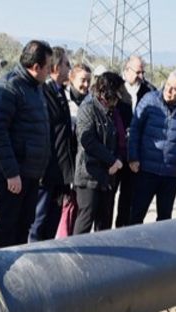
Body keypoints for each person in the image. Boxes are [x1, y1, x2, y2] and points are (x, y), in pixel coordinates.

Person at [0, 40, 52, 249]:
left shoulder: (36, 87)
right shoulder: (9, 87)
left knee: (24, 225)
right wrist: (11, 173)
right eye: (48, 66)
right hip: (13, 173)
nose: (50, 71)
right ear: (36, 67)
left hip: (30, 172)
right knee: (7, 227)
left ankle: (19, 276)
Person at [127, 68, 176, 224]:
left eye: (175, 89)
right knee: (136, 215)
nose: (169, 90)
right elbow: (135, 129)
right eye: (168, 85)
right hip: (145, 170)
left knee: (164, 220)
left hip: (170, 174)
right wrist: (132, 157)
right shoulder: (149, 100)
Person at [29, 46, 74, 242]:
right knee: (38, 221)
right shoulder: (43, 93)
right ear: (55, 67)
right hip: (46, 172)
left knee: (53, 222)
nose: (69, 68)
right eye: (66, 64)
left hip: (60, 173)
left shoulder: (61, 93)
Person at [73, 72, 124, 234]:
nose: (119, 97)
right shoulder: (88, 109)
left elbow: (118, 140)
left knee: (104, 225)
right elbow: (88, 141)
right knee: (85, 221)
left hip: (108, 178)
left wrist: (116, 161)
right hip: (89, 177)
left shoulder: (112, 112)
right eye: (116, 93)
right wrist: (111, 161)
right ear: (105, 92)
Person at [114, 55, 155, 227]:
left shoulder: (149, 92)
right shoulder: (116, 89)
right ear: (126, 70)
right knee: (109, 197)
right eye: (137, 72)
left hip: (136, 153)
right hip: (115, 151)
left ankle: (124, 230)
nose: (140, 75)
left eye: (142, 72)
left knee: (129, 196)